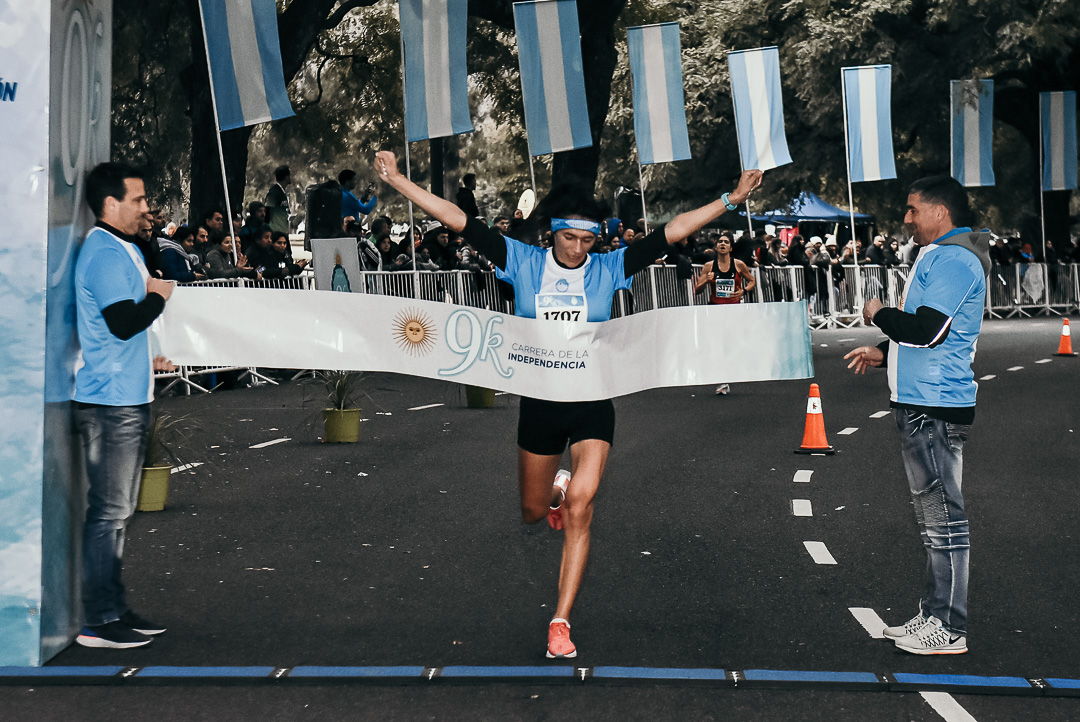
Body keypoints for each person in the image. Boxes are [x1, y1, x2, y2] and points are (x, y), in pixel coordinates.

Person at [374, 149, 763, 659]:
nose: (579, 248)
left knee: (582, 506)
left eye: (587, 239)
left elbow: (672, 231)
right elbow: (457, 219)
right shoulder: (523, 261)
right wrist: (399, 181)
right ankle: (553, 489)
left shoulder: (610, 267)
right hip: (539, 403)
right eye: (569, 238)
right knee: (535, 513)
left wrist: (729, 199)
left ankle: (561, 621)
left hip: (591, 403)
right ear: (550, 234)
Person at [843, 176, 990, 656]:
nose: (906, 219)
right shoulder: (942, 256)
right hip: (923, 402)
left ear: (940, 212)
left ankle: (948, 628)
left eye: (912, 210)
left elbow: (928, 331)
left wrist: (879, 312)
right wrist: (885, 353)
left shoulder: (954, 259)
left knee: (943, 519)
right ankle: (934, 615)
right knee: (933, 520)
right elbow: (930, 337)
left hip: (935, 407)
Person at [74, 162, 176, 648]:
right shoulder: (106, 254)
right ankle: (99, 619)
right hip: (110, 402)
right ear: (110, 204)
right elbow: (120, 322)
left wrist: (150, 351)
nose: (145, 208)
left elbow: (118, 328)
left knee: (116, 514)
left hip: (122, 397)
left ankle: (113, 610)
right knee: (109, 513)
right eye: (137, 199)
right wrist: (158, 297)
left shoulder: (119, 249)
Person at [693, 233, 756, 395]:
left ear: (730, 247)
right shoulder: (708, 266)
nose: (722, 244)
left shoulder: (739, 265)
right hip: (714, 309)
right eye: (720, 242)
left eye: (726, 242)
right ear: (716, 246)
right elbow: (697, 291)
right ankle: (722, 380)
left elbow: (752, 281)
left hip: (733, 310)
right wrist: (706, 280)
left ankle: (728, 375)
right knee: (717, 345)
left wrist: (743, 291)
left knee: (730, 344)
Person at [265, 165, 292, 234]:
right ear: (286, 177)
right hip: (276, 231)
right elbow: (268, 209)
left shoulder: (282, 192)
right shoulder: (274, 192)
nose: (290, 178)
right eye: (289, 175)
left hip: (282, 230)